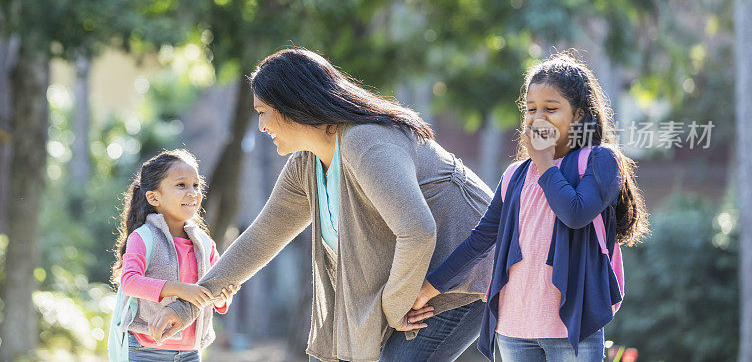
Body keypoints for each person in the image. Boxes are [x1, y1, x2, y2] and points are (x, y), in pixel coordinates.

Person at [149, 48, 496, 361]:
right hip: (412, 283)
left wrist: (393, 304)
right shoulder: (306, 166)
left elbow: (417, 230)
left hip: (465, 273)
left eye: (265, 112)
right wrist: (188, 306)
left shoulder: (366, 141)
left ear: (294, 104)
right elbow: (262, 238)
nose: (262, 126)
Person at [412, 52, 649, 362]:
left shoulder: (600, 161)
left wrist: (545, 162)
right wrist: (427, 290)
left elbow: (575, 214)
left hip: (570, 327)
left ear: (578, 115)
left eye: (551, 109)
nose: (538, 118)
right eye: (531, 109)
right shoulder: (515, 175)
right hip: (513, 328)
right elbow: (479, 240)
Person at [110, 149, 240, 362]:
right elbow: (129, 282)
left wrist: (223, 297)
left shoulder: (205, 244)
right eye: (181, 185)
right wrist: (181, 289)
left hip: (190, 352)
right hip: (145, 350)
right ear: (154, 197)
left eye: (196, 185)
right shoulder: (143, 237)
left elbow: (216, 292)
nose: (192, 192)